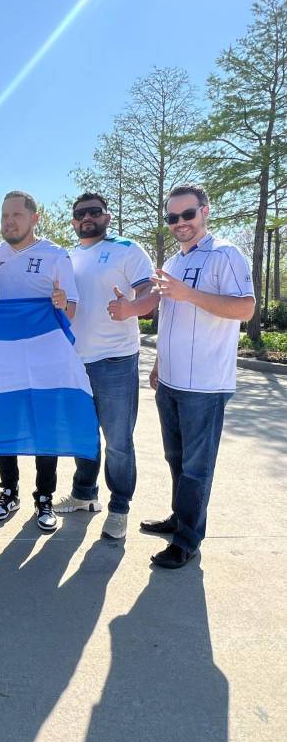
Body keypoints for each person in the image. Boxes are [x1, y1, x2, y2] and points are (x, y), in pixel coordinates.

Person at [143, 184, 255, 568]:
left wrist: (189, 294)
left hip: (205, 386)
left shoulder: (225, 254)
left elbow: (245, 309)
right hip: (171, 381)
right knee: (176, 458)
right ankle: (180, 520)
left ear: (205, 211)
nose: (180, 223)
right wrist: (159, 363)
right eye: (172, 217)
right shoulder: (173, 263)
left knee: (197, 467)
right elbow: (171, 318)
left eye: (187, 214)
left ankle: (188, 541)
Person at [54, 192, 157, 539]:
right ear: (73, 221)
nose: (87, 218)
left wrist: (132, 308)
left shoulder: (128, 248)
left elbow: (151, 293)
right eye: (80, 213)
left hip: (115, 361)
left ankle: (119, 507)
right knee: (84, 436)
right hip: (75, 363)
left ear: (107, 216)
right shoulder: (67, 257)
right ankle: (84, 495)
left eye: (94, 212)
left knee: (118, 441)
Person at [0, 190, 78, 532]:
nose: (9, 222)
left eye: (16, 216)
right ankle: (9, 492)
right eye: (4, 216)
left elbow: (72, 311)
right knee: (5, 425)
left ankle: (44, 498)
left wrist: (61, 302)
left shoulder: (56, 256)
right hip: (3, 359)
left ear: (34, 218)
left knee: (44, 429)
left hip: (44, 361)